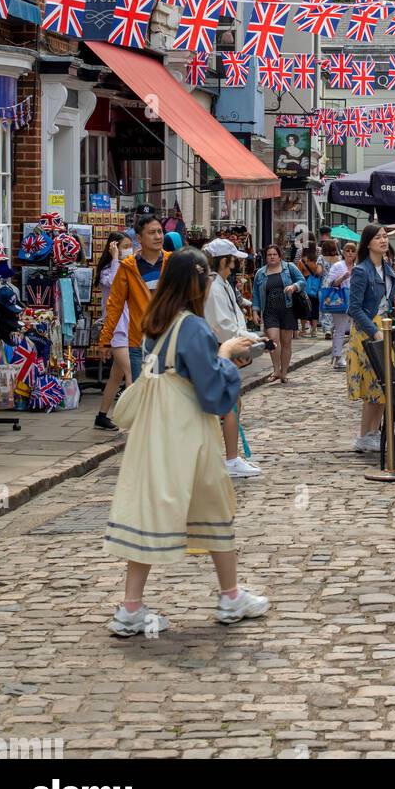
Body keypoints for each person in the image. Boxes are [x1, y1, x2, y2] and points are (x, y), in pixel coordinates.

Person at [104, 247, 269, 634]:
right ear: (197, 281)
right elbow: (210, 389)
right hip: (187, 431)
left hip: (155, 431)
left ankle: (132, 606)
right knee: (213, 503)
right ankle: (229, 596)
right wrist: (227, 353)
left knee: (149, 508)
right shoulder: (192, 327)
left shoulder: (155, 321)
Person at [204, 238, 265, 479]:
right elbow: (223, 324)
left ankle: (229, 456)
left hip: (228, 348)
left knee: (232, 404)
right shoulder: (215, 287)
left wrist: (252, 338)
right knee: (229, 405)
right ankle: (229, 459)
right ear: (224, 261)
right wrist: (253, 339)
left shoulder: (224, 284)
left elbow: (234, 319)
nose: (237, 264)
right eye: (233, 260)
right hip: (220, 349)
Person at [346, 223, 395, 453]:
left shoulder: (387, 268)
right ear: (368, 242)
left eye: (384, 237)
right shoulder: (361, 271)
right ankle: (365, 435)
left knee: (385, 385)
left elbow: (392, 299)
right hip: (368, 333)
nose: (383, 240)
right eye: (378, 237)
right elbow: (354, 308)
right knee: (374, 386)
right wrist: (374, 331)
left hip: (385, 329)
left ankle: (372, 433)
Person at [98, 215, 171, 383]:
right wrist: (106, 339)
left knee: (165, 397)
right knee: (142, 395)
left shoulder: (172, 262)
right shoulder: (128, 267)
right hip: (139, 342)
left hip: (169, 341)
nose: (158, 236)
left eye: (160, 232)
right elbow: (115, 305)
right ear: (139, 238)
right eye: (152, 232)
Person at [94, 231, 132, 431]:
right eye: (125, 246)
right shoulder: (108, 270)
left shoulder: (127, 268)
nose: (129, 249)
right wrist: (116, 258)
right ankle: (134, 415)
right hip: (116, 327)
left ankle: (102, 415)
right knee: (131, 372)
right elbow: (114, 283)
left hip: (128, 325)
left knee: (116, 377)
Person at [252, 246, 305, 382]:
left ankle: (284, 373)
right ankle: (276, 369)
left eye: (275, 254)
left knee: (286, 342)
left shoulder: (289, 267)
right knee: (273, 340)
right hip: (269, 310)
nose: (272, 257)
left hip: (287, 308)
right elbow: (256, 294)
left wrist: (294, 287)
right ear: (266, 257)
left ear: (279, 256)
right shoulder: (261, 273)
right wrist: (255, 311)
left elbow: (302, 281)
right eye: (269, 254)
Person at [323, 241, 357, 370]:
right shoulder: (338, 266)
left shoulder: (358, 266)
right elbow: (330, 283)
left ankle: (352, 355)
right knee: (340, 330)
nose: (350, 253)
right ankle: (337, 356)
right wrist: (343, 277)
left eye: (352, 251)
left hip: (354, 301)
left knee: (354, 330)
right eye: (347, 250)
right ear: (343, 252)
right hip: (339, 300)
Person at [298, 239, 323, 338]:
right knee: (315, 308)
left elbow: (298, 274)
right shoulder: (317, 261)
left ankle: (303, 329)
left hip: (304, 287)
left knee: (304, 308)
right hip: (314, 288)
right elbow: (319, 273)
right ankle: (314, 330)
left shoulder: (302, 261)